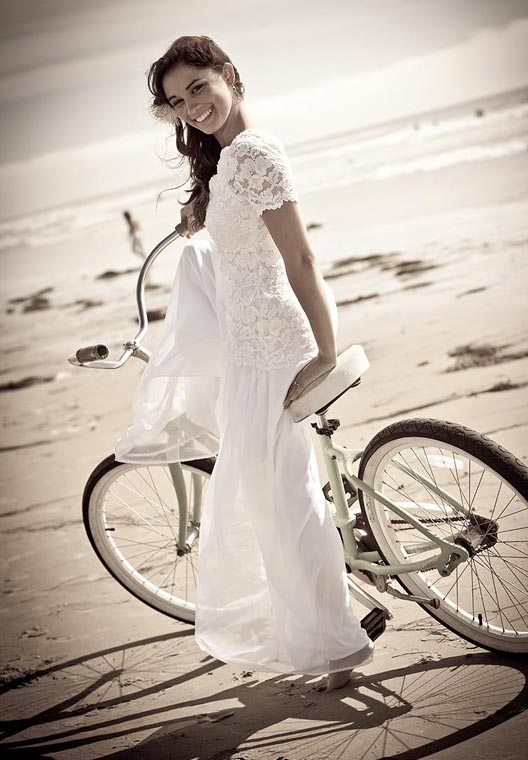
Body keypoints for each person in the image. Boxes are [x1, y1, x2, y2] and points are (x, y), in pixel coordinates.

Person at [114, 35, 373, 690]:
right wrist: (203, 209)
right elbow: (235, 249)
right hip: (248, 347)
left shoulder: (254, 153)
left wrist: (325, 352)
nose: (192, 106)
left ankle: (337, 646)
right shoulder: (228, 161)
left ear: (228, 74)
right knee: (274, 501)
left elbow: (301, 260)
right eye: (177, 100)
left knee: (282, 504)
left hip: (274, 347)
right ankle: (334, 621)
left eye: (199, 87)